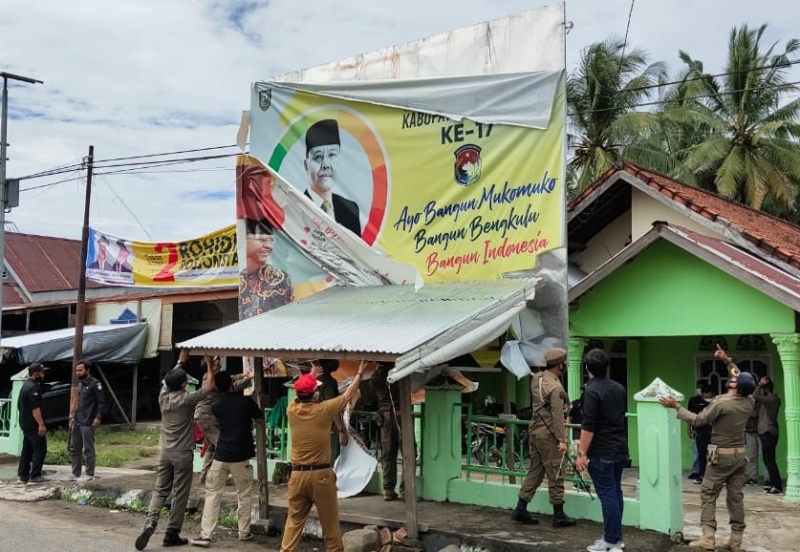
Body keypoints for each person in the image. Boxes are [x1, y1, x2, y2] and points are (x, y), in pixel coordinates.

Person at [659, 344, 756, 552]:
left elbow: (698, 419)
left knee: (708, 494)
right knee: (736, 498)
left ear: (735, 386)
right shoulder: (749, 401)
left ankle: (708, 538)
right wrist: (727, 360)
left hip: (720, 457)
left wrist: (676, 406)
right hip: (740, 456)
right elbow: (740, 377)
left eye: (734, 380)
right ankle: (736, 541)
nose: (732, 378)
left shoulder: (722, 404)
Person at [280, 360, 368, 552]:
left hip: (296, 476)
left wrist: (310, 376)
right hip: (320, 476)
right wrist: (359, 373)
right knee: (330, 525)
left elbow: (301, 393)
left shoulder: (292, 410)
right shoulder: (323, 410)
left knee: (293, 522)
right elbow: (348, 394)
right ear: (316, 393)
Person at [135, 349, 216, 550]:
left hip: (165, 452)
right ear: (182, 385)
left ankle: (150, 521)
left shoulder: (163, 397)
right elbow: (210, 386)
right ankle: (172, 533)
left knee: (160, 490)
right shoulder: (186, 400)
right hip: (182, 454)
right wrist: (209, 364)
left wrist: (180, 361)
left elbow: (167, 381)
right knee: (180, 494)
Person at [193, 372, 263, 546]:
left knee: (213, 495)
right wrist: (259, 402)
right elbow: (260, 418)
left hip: (221, 456)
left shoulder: (217, 406)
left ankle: (206, 533)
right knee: (244, 495)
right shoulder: (246, 402)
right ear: (232, 384)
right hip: (240, 457)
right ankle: (244, 532)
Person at [511, 347, 577, 528]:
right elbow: (557, 417)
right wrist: (562, 440)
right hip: (549, 436)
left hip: (535, 432)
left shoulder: (537, 379)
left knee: (536, 470)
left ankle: (521, 508)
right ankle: (559, 515)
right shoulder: (555, 388)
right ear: (561, 365)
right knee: (556, 472)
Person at [575, 348, 629, 552]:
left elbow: (589, 425)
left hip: (602, 450)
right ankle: (614, 538)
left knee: (608, 495)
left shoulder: (591, 390)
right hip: (619, 448)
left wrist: (581, 453)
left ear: (587, 368)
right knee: (615, 493)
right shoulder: (618, 388)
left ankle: (612, 540)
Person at [194, 356, 253, 484]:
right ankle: (222, 476)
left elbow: (229, 379)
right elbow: (230, 386)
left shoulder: (213, 376)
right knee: (222, 444)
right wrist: (249, 379)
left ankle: (204, 475)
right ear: (210, 366)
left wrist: (243, 374)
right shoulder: (209, 379)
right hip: (207, 417)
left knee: (212, 446)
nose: (218, 363)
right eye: (215, 363)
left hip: (207, 416)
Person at [303, 119, 362, 237]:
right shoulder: (296, 205)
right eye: (318, 156)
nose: (326, 165)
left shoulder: (350, 210)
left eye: (332, 155)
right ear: (306, 165)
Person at [238, 217, 293, 321]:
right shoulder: (238, 278)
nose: (268, 246)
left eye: (271, 240)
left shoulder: (280, 278)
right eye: (261, 240)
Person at [67, 360, 107, 482]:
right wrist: (72, 416)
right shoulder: (79, 385)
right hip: (78, 421)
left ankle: (89, 473)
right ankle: (75, 473)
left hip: (88, 421)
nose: (78, 372)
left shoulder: (95, 384)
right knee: (75, 448)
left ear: (87, 371)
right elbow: (77, 402)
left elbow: (102, 402)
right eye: (77, 370)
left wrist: (98, 417)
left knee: (88, 449)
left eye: (80, 370)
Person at [372, 362, 407, 501]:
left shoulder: (376, 378)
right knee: (409, 453)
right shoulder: (400, 374)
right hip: (401, 416)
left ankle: (388, 490)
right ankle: (405, 490)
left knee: (387, 454)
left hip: (385, 418)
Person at [17, 362, 49, 485]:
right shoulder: (33, 388)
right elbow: (35, 409)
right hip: (33, 424)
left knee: (27, 449)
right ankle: (35, 475)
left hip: (25, 423)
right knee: (40, 449)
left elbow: (20, 406)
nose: (43, 375)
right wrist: (41, 424)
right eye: (41, 372)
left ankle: (23, 475)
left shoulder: (25, 386)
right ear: (36, 374)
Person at [315, 359, 348, 464]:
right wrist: (341, 430)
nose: (337, 363)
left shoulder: (316, 380)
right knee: (331, 460)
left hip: (316, 424)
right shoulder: (328, 382)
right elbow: (332, 407)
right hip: (329, 426)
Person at [753, 376, 782, 495]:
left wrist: (759, 384)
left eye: (761, 388)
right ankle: (772, 483)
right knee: (768, 460)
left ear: (765, 389)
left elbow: (754, 396)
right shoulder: (766, 401)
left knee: (770, 461)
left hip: (769, 432)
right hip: (765, 432)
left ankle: (777, 486)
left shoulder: (771, 399)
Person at [687, 385, 714, 484]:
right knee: (700, 454)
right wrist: (689, 428)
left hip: (713, 433)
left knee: (712, 456)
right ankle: (700, 474)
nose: (708, 395)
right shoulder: (695, 401)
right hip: (700, 432)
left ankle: (711, 475)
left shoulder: (715, 403)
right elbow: (691, 415)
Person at [687, 380, 705, 481]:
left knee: (704, 453)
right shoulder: (693, 400)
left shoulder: (709, 401)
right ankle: (695, 471)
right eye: (698, 387)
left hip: (707, 430)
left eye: (701, 387)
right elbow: (689, 415)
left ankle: (702, 472)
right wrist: (688, 428)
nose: (699, 389)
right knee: (696, 451)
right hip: (696, 429)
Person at [744, 397, 761, 486]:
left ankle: (768, 478)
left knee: (765, 456)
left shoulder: (760, 402)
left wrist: (746, 410)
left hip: (760, 431)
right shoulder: (746, 403)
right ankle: (753, 477)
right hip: (749, 431)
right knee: (751, 456)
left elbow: (755, 414)